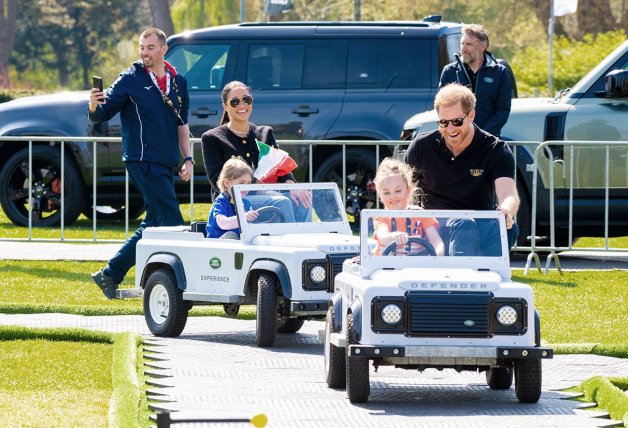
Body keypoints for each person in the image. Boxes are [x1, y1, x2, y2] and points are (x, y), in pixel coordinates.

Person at [87, 28, 192, 299]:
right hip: (141, 159)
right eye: (141, 47)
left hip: (165, 161)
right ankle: (183, 283)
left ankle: (110, 274)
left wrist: (188, 158)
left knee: (155, 222)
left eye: (150, 47)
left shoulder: (178, 82)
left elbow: (182, 125)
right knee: (172, 222)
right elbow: (103, 114)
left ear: (163, 49)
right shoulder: (130, 78)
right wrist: (93, 105)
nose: (144, 52)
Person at [404, 83, 519, 256]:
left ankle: (489, 276)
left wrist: (506, 211)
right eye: (443, 122)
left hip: (476, 225)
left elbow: (509, 194)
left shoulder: (495, 149)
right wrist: (410, 209)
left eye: (457, 121)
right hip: (432, 228)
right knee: (462, 224)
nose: (450, 129)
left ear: (471, 115)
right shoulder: (421, 146)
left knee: (508, 227)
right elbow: (403, 189)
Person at [201, 81, 311, 222]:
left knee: (303, 198)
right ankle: (286, 243)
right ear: (225, 106)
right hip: (234, 200)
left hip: (269, 193)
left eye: (246, 100)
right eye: (235, 102)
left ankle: (304, 242)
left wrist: (292, 186)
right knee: (282, 202)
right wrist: (255, 184)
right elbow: (217, 180)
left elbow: (280, 168)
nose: (242, 105)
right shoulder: (212, 138)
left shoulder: (265, 133)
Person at [439, 24, 511, 137]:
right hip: (457, 138)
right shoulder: (449, 71)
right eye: (462, 43)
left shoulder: (499, 72)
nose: (463, 48)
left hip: (487, 141)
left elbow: (502, 111)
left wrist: (482, 135)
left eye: (469, 44)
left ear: (483, 46)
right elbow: (442, 107)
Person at [372, 158, 445, 256]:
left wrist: (437, 256)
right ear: (380, 195)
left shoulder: (420, 214)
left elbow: (436, 241)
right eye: (386, 192)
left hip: (414, 266)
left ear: (408, 190)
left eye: (397, 191)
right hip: (385, 267)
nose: (392, 196)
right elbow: (382, 236)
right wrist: (394, 237)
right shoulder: (381, 217)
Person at [206, 157, 259, 239]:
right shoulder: (221, 202)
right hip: (217, 242)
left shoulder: (246, 203)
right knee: (231, 235)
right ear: (227, 183)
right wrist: (243, 217)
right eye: (241, 183)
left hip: (239, 241)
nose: (246, 187)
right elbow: (222, 223)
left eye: (249, 183)